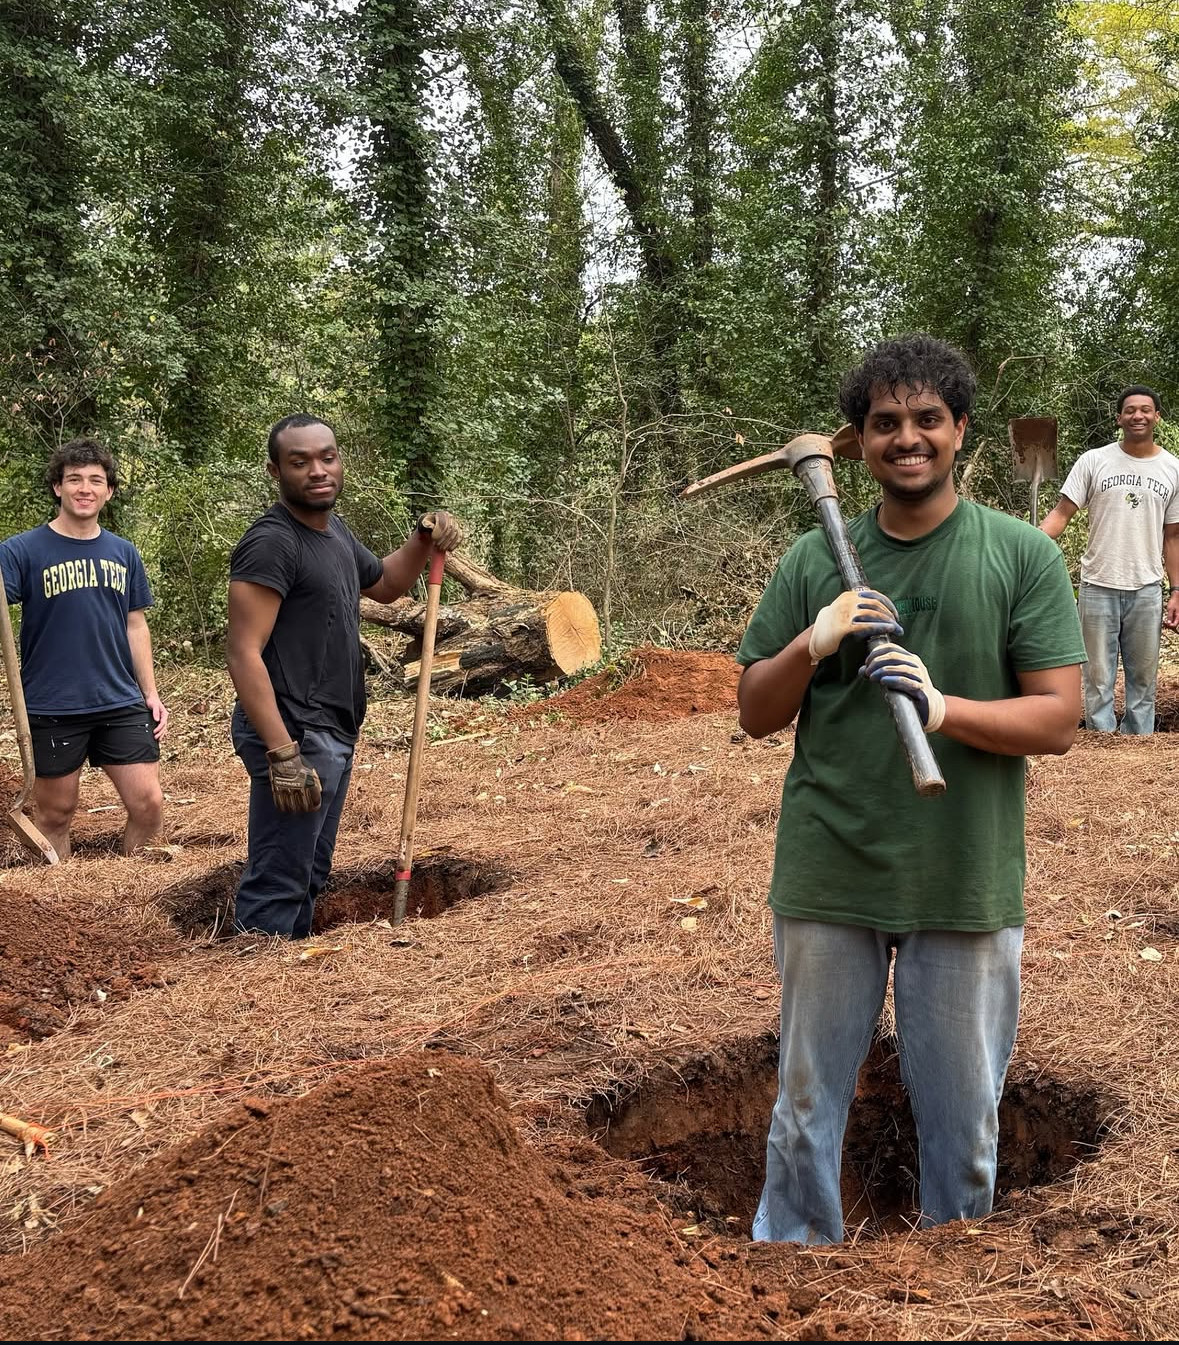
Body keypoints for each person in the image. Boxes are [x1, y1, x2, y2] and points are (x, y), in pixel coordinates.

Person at [736, 335, 1085, 1244]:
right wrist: (808, 646)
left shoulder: (1020, 556)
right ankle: (790, 1265)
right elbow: (752, 713)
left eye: (926, 419)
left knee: (964, 1122)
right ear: (858, 440)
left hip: (960, 873)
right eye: (884, 422)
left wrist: (941, 709)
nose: (907, 438)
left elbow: (1055, 719)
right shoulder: (812, 561)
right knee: (804, 1105)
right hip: (829, 866)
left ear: (959, 429)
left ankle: (951, 1274)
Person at [226, 414, 463, 939]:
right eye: (299, 461)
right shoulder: (272, 543)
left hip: (329, 726)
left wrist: (423, 539)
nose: (317, 470)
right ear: (275, 471)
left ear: (339, 460)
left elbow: (385, 585)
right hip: (292, 731)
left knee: (309, 872)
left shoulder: (332, 533)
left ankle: (293, 978)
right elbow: (244, 653)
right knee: (281, 876)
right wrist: (282, 753)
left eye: (326, 457)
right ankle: (254, 985)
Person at [0, 439, 168, 858]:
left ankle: (136, 899)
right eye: (74, 479)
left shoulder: (123, 552)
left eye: (96, 480)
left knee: (149, 805)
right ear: (58, 487)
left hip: (119, 700)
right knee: (56, 814)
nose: (85, 488)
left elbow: (135, 624)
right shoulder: (21, 551)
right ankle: (58, 905)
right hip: (52, 703)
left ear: (108, 491)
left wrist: (149, 692)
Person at [1039, 385, 1179, 735]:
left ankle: (1139, 740)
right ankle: (1101, 737)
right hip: (1097, 584)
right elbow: (1061, 514)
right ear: (1119, 418)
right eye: (1130, 410)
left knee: (1144, 678)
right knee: (1098, 675)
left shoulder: (1173, 469)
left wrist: (1176, 589)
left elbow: (1173, 536)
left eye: (1146, 409)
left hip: (1147, 588)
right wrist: (1026, 548)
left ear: (1157, 417)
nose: (1138, 415)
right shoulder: (1094, 460)